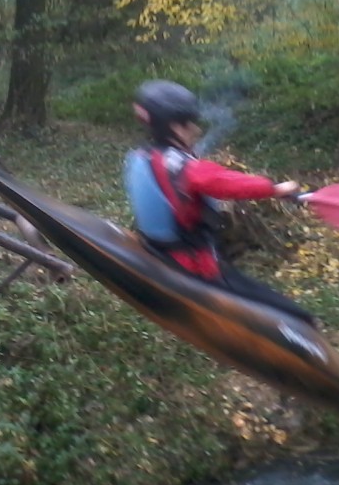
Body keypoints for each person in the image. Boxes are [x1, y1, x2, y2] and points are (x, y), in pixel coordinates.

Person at [124, 80, 315, 325]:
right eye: (190, 123)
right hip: (193, 264)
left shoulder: (141, 156)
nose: (197, 130)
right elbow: (222, 181)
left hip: (159, 252)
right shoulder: (180, 165)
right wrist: (275, 188)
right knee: (295, 314)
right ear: (174, 127)